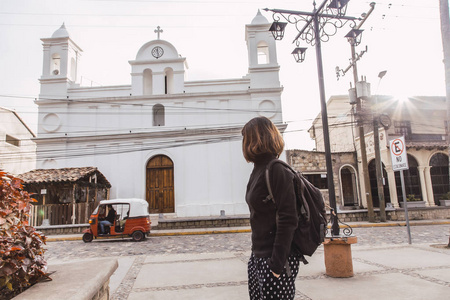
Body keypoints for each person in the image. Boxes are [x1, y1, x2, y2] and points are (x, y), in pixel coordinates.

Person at [242, 116, 300, 300]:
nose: (243, 143)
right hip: (258, 257)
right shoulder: (257, 170)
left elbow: (288, 218)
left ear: (256, 138)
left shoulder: (276, 170)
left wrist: (276, 265)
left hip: (275, 260)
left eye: (245, 137)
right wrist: (254, 259)